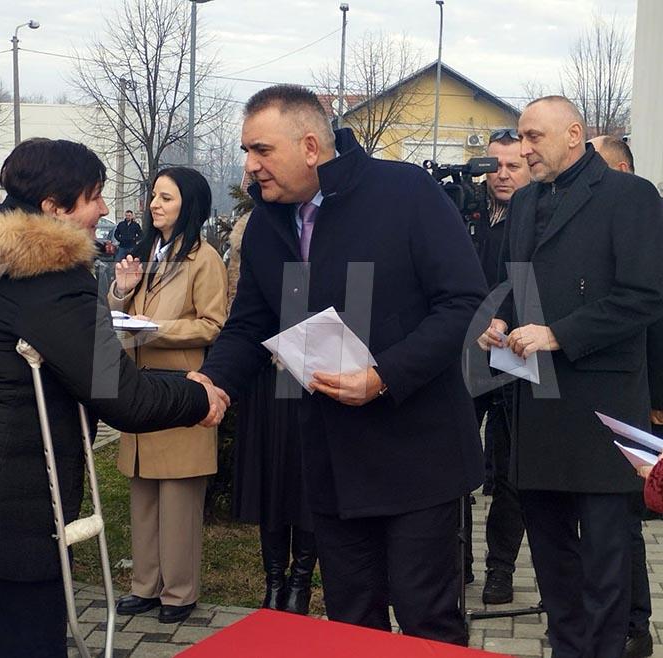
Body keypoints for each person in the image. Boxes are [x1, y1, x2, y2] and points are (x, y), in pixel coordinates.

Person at [0, 139, 227, 658]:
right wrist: (196, 396)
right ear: (52, 207)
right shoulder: (49, 281)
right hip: (6, 518)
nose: (106, 210)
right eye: (94, 196)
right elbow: (121, 395)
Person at [193, 85, 488, 643]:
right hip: (329, 459)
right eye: (246, 152)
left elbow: (464, 303)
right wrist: (213, 383)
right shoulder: (267, 224)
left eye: (260, 150)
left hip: (418, 455)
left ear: (309, 145)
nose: (249, 166)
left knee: (426, 616)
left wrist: (384, 377)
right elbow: (251, 323)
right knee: (352, 619)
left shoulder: (406, 193)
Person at [478, 96, 663, 658]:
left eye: (534, 137)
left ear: (574, 134)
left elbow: (645, 296)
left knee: (608, 557)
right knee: (552, 552)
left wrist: (558, 334)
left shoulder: (631, 196)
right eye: (521, 136)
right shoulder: (527, 200)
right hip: (537, 404)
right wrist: (502, 319)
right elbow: (520, 283)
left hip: (603, 405)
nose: (524, 148)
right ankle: (567, 646)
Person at [109, 167, 227, 624]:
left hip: (182, 391)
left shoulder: (205, 258)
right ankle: (145, 585)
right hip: (140, 389)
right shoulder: (142, 251)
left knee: (178, 499)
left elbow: (213, 324)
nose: (154, 204)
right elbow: (117, 310)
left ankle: (179, 592)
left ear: (189, 204)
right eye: (153, 196)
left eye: (166, 198)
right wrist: (121, 289)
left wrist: (156, 330)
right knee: (144, 497)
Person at [227, 212, 317, 614]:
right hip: (267, 374)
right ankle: (274, 581)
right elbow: (238, 304)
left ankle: (301, 583)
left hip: (315, 377)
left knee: (305, 482)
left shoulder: (335, 224)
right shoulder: (255, 226)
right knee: (273, 481)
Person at [590, 135, 656, 658]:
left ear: (619, 169)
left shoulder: (640, 215)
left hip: (644, 390)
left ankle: (636, 623)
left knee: (627, 516)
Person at [467, 128, 530, 605]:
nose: (502, 175)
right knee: (456, 460)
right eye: (495, 166)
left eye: (513, 165)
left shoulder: (537, 218)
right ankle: (455, 561)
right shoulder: (464, 212)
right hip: (467, 352)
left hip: (515, 353)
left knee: (509, 468)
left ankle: (501, 569)